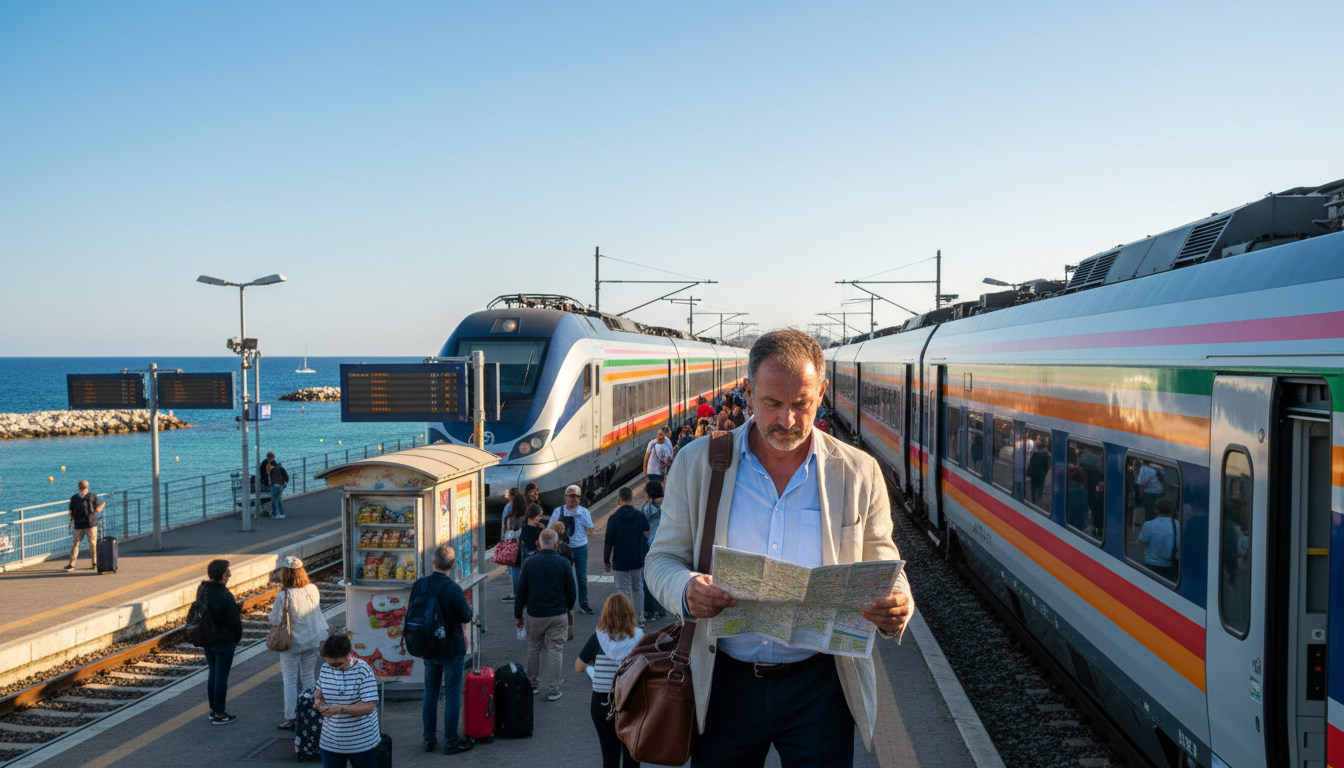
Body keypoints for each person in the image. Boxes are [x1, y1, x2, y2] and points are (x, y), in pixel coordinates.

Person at [646, 330, 913, 767]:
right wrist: (687, 588)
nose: (787, 420)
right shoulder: (698, 464)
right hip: (722, 685)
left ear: (822, 393)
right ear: (748, 393)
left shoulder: (859, 472)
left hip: (820, 688)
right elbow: (660, 561)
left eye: (801, 404)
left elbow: (883, 560)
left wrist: (899, 603)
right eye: (772, 403)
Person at [411, 543, 475, 754]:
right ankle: (451, 742)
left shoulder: (420, 585)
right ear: (453, 565)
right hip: (451, 648)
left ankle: (428, 740)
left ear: (433, 562)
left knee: (430, 692)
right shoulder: (453, 589)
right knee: (453, 694)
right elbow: (466, 616)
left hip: (428, 647)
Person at [575, 594, 644, 768]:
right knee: (632, 755)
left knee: (609, 756)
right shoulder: (639, 638)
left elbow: (578, 667)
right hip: (630, 701)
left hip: (601, 702)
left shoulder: (598, 637)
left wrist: (592, 665)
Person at [515, 528, 576, 701]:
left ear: (538, 543)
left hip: (535, 614)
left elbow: (521, 591)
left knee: (534, 648)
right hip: (557, 613)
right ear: (556, 544)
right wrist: (568, 607)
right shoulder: (564, 563)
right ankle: (553, 689)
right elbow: (571, 591)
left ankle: (532, 685)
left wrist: (518, 614)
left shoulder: (529, 562)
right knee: (555, 650)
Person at [270, 556, 330, 730]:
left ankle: (291, 717)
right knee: (308, 676)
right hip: (313, 640)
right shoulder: (312, 589)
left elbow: (274, 619)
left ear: (285, 574)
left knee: (289, 680)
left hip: (292, 643)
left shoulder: (283, 595)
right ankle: (312, 711)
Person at [313, 633, 381, 768]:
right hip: (330, 742)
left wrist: (342, 709)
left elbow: (369, 707)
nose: (333, 667)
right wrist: (319, 703)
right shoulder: (326, 668)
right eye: (330, 663)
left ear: (349, 655)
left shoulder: (363, 670)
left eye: (337, 664)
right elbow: (318, 694)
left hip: (362, 743)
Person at [198, 559, 243, 724]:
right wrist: (236, 637)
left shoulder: (203, 590)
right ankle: (220, 714)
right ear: (219, 575)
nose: (229, 574)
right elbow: (234, 622)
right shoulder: (225, 595)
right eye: (226, 572)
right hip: (224, 642)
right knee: (221, 676)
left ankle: (213, 709)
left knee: (213, 674)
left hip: (208, 640)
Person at [604, 486, 650, 625]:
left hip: (620, 560)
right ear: (632, 499)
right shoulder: (640, 515)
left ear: (619, 501)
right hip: (637, 558)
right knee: (637, 588)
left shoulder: (613, 518)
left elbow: (608, 542)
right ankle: (639, 618)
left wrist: (606, 560)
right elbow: (647, 533)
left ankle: (627, 620)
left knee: (623, 591)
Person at [554, 485, 595, 614]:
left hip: (581, 547)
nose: (575, 499)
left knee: (582, 577)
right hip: (563, 549)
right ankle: (564, 602)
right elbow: (551, 529)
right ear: (566, 497)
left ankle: (584, 603)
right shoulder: (558, 511)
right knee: (564, 577)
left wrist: (584, 521)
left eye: (577, 496)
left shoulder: (584, 512)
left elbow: (590, 531)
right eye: (572, 496)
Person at [641, 480, 667, 621]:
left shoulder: (647, 508)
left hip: (649, 546)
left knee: (648, 579)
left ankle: (648, 610)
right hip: (664, 544)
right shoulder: (668, 504)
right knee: (661, 578)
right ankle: (660, 610)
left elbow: (642, 526)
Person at [66, 480, 104, 571]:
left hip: (78, 524)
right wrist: (103, 505)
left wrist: (70, 523)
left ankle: (72, 564)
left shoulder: (74, 498)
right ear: (87, 487)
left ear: (78, 487)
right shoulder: (92, 496)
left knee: (75, 544)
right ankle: (95, 563)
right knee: (93, 543)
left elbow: (70, 512)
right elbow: (98, 510)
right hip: (91, 524)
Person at [1139, 498, 1180, 581]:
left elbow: (1141, 543)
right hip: (1170, 564)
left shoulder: (1149, 525)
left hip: (1151, 564)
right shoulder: (1177, 524)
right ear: (1172, 511)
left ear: (1155, 510)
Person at [550, 521, 577, 641]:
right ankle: (568, 633)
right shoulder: (566, 547)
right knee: (567, 612)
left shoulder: (549, 544)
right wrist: (571, 604)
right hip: (564, 582)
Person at [501, 488, 525, 601]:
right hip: (523, 545)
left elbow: (505, 530)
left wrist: (502, 542)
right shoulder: (526, 517)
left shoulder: (509, 517)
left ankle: (516, 593)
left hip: (512, 546)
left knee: (514, 570)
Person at [260, 452, 290, 519]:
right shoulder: (277, 465)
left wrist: (266, 484)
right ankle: (280, 513)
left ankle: (276, 513)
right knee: (278, 498)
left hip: (273, 484)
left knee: (275, 499)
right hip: (281, 484)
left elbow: (265, 475)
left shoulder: (266, 464)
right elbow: (285, 474)